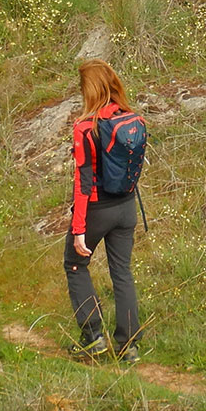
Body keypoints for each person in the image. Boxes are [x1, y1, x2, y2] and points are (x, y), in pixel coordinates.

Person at [64, 60, 145, 364]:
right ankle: (128, 346)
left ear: (89, 90)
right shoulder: (132, 119)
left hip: (97, 209)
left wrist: (78, 228)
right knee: (122, 272)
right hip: (127, 208)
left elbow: (83, 183)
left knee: (75, 264)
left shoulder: (85, 128)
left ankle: (94, 338)